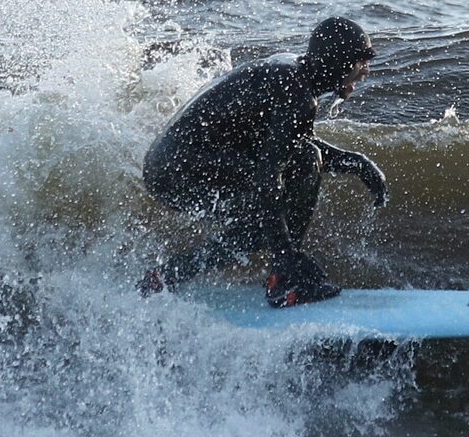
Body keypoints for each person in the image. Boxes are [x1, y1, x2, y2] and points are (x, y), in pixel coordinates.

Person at [140, 17, 388, 307]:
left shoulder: (293, 74)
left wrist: (357, 163)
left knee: (289, 186)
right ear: (338, 62)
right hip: (178, 171)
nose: (365, 71)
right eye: (361, 62)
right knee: (290, 186)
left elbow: (289, 145)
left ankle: (167, 275)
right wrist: (286, 254)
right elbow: (268, 178)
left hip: (172, 164)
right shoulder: (298, 93)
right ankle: (283, 278)